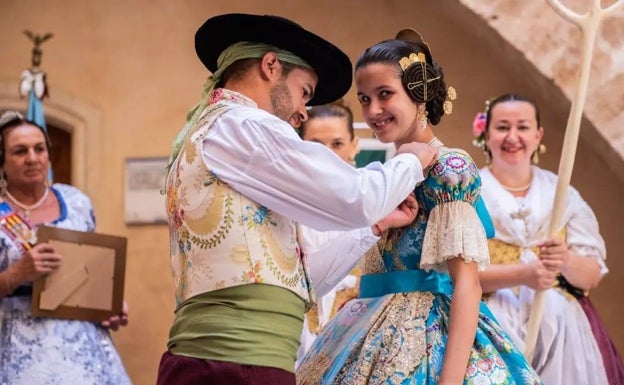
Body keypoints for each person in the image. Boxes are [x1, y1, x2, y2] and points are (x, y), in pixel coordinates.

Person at [156, 13, 439, 385]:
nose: (303, 111)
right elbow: (354, 197)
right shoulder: (243, 125)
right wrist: (412, 160)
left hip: (235, 365)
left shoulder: (220, 129)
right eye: (304, 92)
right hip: (232, 367)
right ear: (270, 66)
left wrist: (375, 224)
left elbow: (303, 283)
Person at [296, 29, 543, 385]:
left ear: (419, 94)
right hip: (362, 327)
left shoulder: (450, 167)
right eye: (365, 99)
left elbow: (468, 285)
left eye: (385, 95)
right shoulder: (385, 173)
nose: (373, 110)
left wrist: (450, 381)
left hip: (428, 339)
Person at [473, 93, 624, 385]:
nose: (513, 137)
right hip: (490, 325)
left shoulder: (562, 193)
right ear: (485, 133)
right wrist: (522, 274)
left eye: (523, 127)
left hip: (564, 333)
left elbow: (590, 277)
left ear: (538, 134)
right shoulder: (471, 193)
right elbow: (451, 274)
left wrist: (565, 259)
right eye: (503, 127)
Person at [0, 111, 131, 385]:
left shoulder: (76, 201)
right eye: (19, 151)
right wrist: (16, 274)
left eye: (39, 148)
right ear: (2, 160)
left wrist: (110, 305)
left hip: (84, 351)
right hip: (17, 353)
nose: (33, 158)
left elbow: (91, 273)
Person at [296, 102, 363, 364]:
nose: (327, 154)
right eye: (316, 144)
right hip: (298, 328)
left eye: (337, 144)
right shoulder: (286, 200)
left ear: (354, 144)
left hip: (357, 326)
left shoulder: (371, 198)